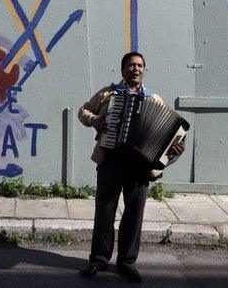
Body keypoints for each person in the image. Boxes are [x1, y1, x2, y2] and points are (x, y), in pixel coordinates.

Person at [78, 52, 184, 283]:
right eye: (131, 65)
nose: (136, 69)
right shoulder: (108, 94)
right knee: (104, 213)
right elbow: (83, 111)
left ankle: (126, 263)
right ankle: (98, 260)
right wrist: (94, 120)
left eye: (140, 65)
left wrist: (174, 150)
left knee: (133, 216)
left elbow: (169, 137)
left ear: (144, 70)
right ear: (123, 69)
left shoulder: (154, 100)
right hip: (111, 161)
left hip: (139, 167)